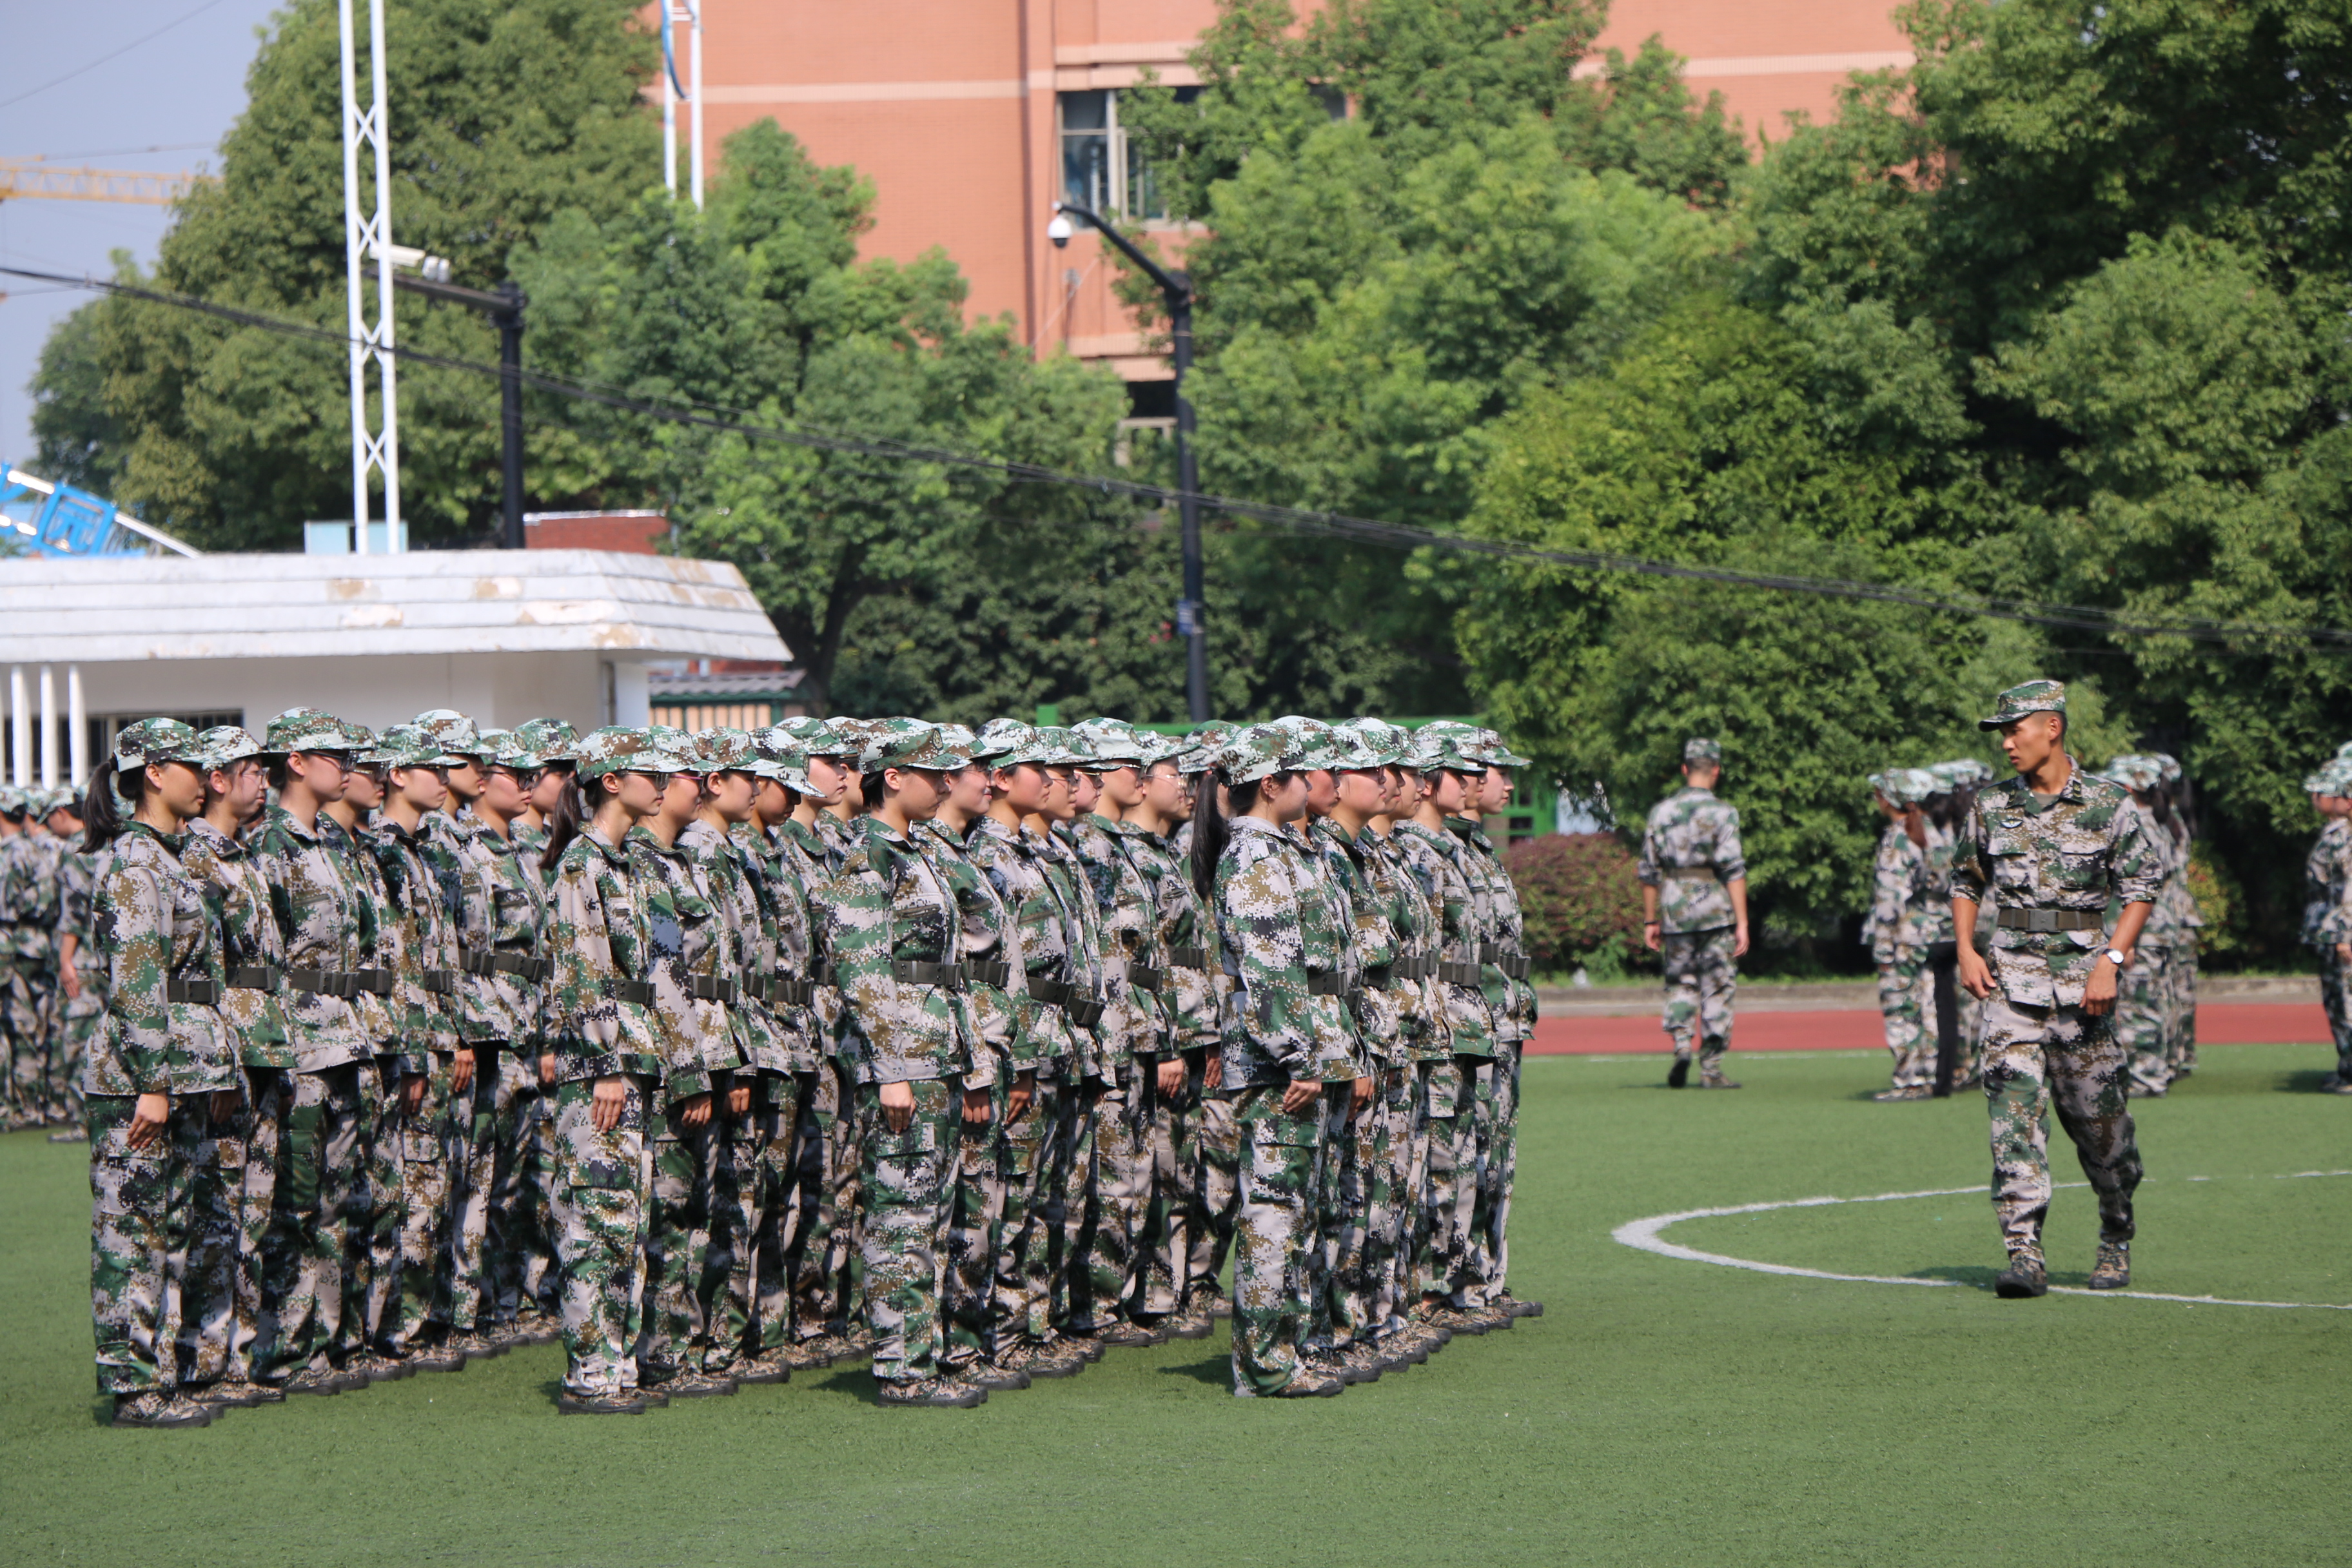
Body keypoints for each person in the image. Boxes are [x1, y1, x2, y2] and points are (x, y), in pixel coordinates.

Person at [1951, 680, 2161, 1298]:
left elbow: (2142, 883)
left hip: (2082, 990)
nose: (2007, 743)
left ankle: (2115, 1234)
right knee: (2012, 1121)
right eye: (2003, 733)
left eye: (2015, 730)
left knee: (2104, 1136)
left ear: (2052, 727)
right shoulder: (1991, 806)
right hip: (2011, 986)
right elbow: (1966, 882)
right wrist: (1966, 949)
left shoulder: (2108, 803)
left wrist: (2112, 959)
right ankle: (2024, 1253)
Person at [810, 719, 992, 1407]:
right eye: (934, 772)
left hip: (936, 1057)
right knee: (901, 1216)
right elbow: (862, 973)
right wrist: (889, 1066)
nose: (949, 783)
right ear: (893, 777)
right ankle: (900, 1364)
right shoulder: (871, 861)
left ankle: (925, 1349)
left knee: (932, 1211)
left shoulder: (918, 854)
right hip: (905, 1064)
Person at [81, 718, 240, 1427]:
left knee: (169, 1228)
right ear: (152, 772)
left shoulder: (171, 857)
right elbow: (139, 984)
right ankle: (133, 1383)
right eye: (190, 764)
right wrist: (155, 1080)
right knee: (135, 1232)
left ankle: (164, 1371)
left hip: (177, 1069)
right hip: (138, 1077)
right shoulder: (137, 864)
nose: (204, 776)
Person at [1196, 724, 1361, 1398]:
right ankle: (1263, 1361)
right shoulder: (1258, 860)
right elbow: (1272, 976)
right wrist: (1300, 1057)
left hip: (1299, 1056)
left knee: (1296, 1209)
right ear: (1272, 784)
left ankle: (1284, 1349)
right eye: (1301, 774)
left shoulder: (1282, 853)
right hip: (1278, 1065)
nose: (1313, 783)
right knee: (1273, 1213)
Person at [544, 727, 676, 1415]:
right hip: (603, 1070)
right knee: (595, 1219)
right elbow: (581, 970)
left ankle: (616, 1362)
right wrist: (602, 1064)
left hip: (635, 1062)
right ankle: (590, 1370)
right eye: (649, 771)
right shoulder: (582, 866)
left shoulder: (633, 863)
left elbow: (663, 957)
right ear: (612, 781)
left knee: (627, 1220)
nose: (663, 782)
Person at [250, 709, 378, 1396]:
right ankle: (280, 1347)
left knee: (336, 1202)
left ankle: (322, 1341)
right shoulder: (267, 845)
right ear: (295, 761)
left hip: (346, 1038)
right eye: (335, 753)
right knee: (294, 1205)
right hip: (300, 1046)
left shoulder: (335, 840)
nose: (349, 765)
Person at [175, 726, 296, 1407]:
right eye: (251, 770)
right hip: (228, 1054)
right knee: (215, 1214)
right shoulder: (195, 859)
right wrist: (218, 1062)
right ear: (218, 779)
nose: (263, 781)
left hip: (263, 1048)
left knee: (253, 1209)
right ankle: (201, 1357)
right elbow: (203, 974)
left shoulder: (244, 854)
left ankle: (239, 1354)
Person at [1638, 738, 1750, 1090]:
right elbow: (1733, 870)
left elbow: (1648, 871)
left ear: (1685, 769)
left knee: (1680, 982)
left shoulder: (1662, 812)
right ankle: (1712, 1068)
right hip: (1714, 908)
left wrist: (1650, 919)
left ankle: (1682, 1044)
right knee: (1717, 986)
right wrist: (1742, 922)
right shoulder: (1724, 812)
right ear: (1715, 771)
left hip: (1674, 907)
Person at [1864, 769, 1938, 1101]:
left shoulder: (1898, 838)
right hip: (1925, 933)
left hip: (1901, 938)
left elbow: (1889, 902)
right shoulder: (1930, 833)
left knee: (1900, 1008)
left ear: (1888, 799)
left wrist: (1882, 949)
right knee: (1926, 1005)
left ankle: (1908, 1080)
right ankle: (1928, 1074)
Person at [2301, 760, 2352, 1093]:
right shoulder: (2337, 832)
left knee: (2348, 1004)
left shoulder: (2346, 837)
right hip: (2333, 929)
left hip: (2344, 930)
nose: (2316, 797)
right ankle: (2347, 1068)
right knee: (2337, 1002)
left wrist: (2346, 936)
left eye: (2324, 792)